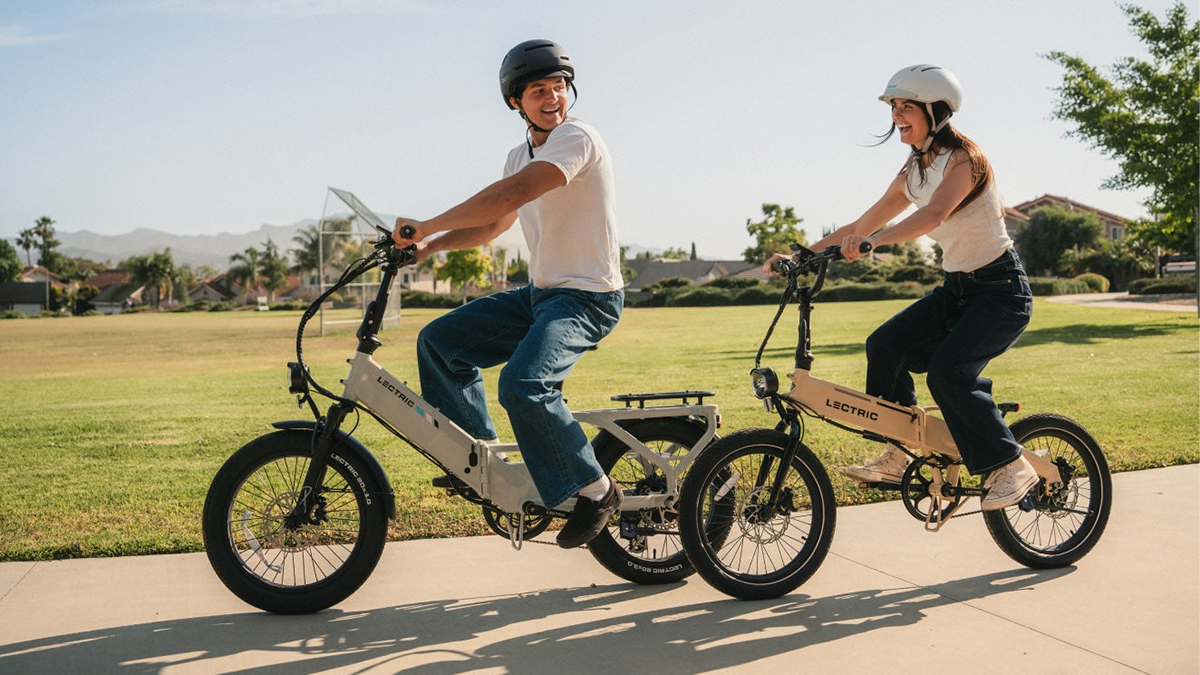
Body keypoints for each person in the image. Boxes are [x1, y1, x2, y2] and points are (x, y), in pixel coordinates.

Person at [765, 64, 1037, 511]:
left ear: (937, 110)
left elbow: (932, 217)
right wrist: (801, 257)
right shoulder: (914, 168)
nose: (896, 115)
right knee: (885, 344)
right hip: (958, 290)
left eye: (906, 106)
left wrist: (875, 240)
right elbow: (862, 222)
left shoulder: (966, 160)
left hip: (1001, 292)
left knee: (949, 373)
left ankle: (1010, 465)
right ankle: (901, 450)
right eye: (894, 106)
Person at [392, 39, 624, 548]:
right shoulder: (519, 154)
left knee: (524, 383)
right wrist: (429, 246)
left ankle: (597, 489)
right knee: (440, 344)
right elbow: (496, 221)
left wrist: (427, 221)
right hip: (542, 295)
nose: (552, 98)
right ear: (515, 102)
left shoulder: (577, 138)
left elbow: (515, 193)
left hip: (587, 297)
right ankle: (482, 464)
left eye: (559, 86)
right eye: (538, 90)